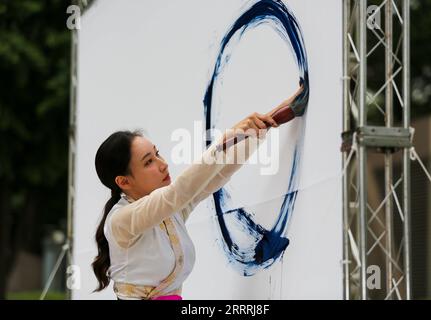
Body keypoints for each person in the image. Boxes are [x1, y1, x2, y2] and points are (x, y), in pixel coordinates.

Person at [92, 88, 302, 300]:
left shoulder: (170, 211)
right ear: (124, 181)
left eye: (157, 154)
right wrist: (223, 143)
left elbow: (218, 174)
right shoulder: (121, 220)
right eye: (148, 162)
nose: (163, 165)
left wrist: (271, 119)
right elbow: (178, 192)